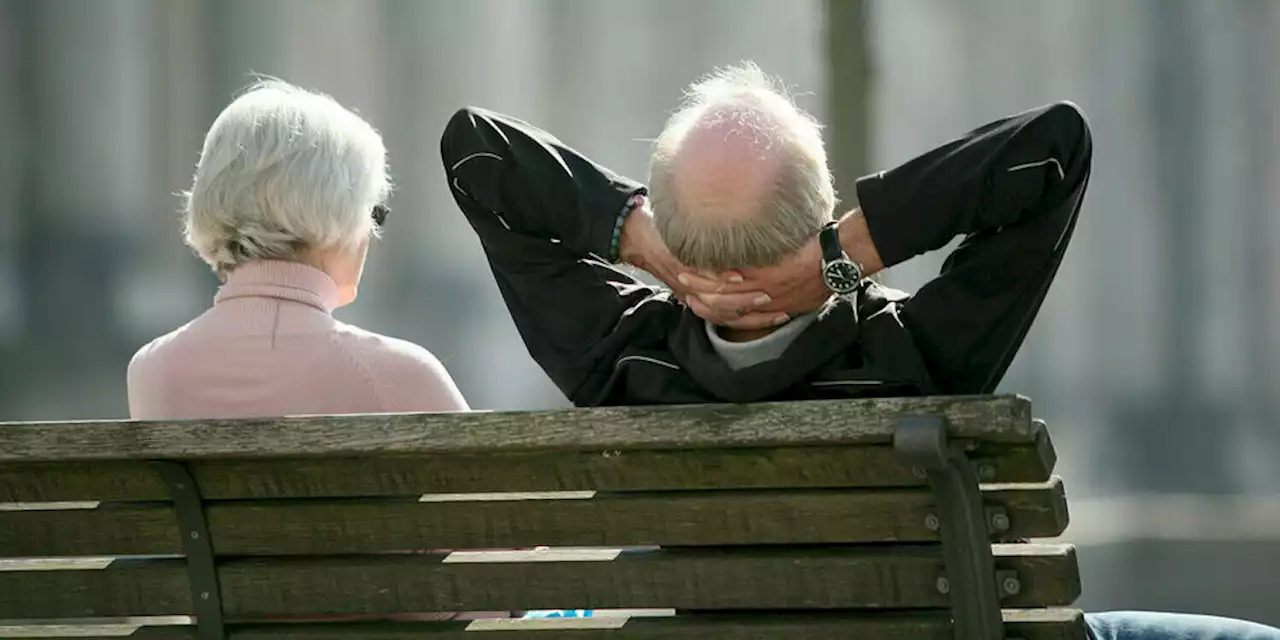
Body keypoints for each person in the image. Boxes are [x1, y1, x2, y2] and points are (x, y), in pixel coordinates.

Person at [441, 63, 1280, 639]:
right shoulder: (913, 353)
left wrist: (644, 244)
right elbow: (1054, 149)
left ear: (673, 231)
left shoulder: (619, 358)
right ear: (824, 206)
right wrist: (843, 261)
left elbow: (477, 151)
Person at [128, 79, 469, 420]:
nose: (372, 233)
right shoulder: (400, 374)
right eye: (374, 212)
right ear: (339, 209)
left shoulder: (152, 369)